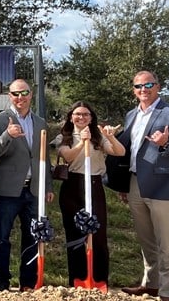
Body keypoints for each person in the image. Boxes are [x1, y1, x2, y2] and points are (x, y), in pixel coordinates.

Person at [117, 71, 169, 301]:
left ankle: (167, 292)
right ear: (134, 90)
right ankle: (150, 284)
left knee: (165, 242)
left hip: (164, 186)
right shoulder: (131, 115)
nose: (143, 89)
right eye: (139, 86)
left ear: (158, 86)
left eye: (148, 84)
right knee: (146, 238)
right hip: (135, 182)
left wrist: (166, 143)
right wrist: (123, 184)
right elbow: (129, 151)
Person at [0, 78, 54, 291]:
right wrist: (8, 134)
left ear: (31, 95)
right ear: (9, 96)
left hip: (33, 190)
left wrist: (48, 186)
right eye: (15, 94)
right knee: (2, 238)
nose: (20, 98)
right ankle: (3, 283)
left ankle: (27, 283)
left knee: (33, 237)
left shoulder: (41, 122)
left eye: (24, 93)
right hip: (7, 190)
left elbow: (45, 158)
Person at [54, 101, 125, 287]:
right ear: (71, 117)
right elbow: (67, 156)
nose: (81, 117)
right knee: (75, 234)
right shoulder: (64, 137)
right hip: (72, 186)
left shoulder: (98, 137)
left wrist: (110, 137)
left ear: (91, 118)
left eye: (86, 114)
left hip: (94, 186)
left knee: (98, 234)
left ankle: (99, 280)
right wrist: (82, 143)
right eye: (77, 114)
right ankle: (77, 280)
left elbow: (120, 152)